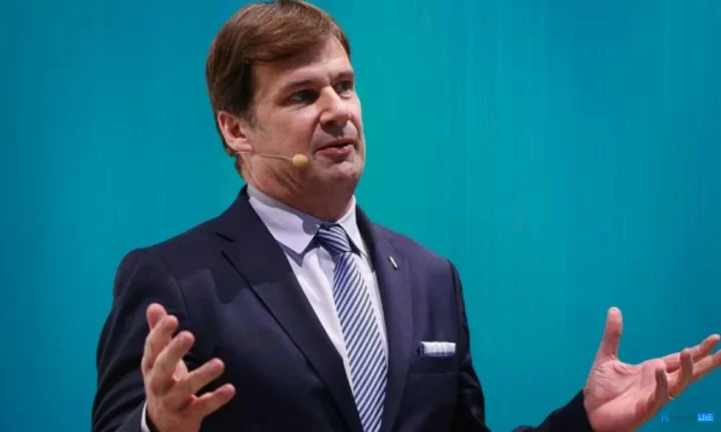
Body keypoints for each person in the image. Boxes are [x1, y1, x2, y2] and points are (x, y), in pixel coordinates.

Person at [91, 1, 721, 431]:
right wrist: (156, 426)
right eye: (303, 95)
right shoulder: (175, 280)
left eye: (345, 85)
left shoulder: (430, 278)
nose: (338, 111)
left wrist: (584, 422)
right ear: (236, 130)